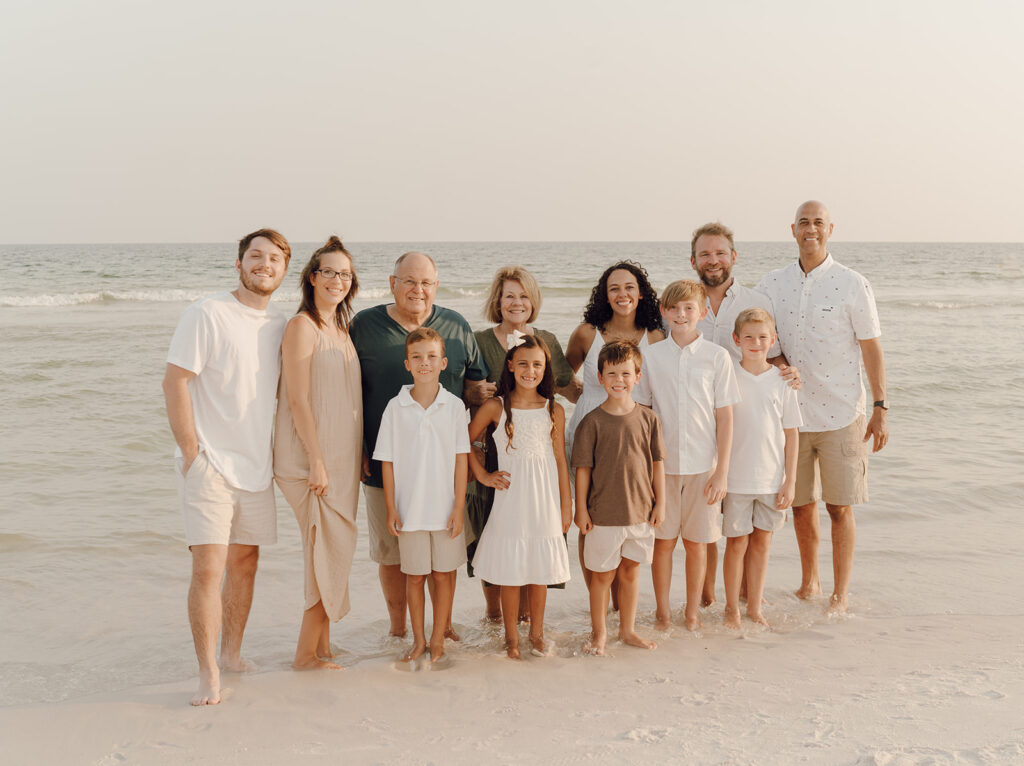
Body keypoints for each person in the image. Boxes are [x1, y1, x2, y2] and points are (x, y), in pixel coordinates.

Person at [162, 228, 290, 705]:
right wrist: (192, 452)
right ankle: (208, 672)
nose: (265, 264)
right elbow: (175, 381)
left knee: (246, 564)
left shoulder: (279, 322)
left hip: (257, 466)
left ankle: (233, 654)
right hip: (210, 464)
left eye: (274, 259)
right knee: (208, 570)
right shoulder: (207, 313)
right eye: (256, 256)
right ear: (239, 264)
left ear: (283, 269)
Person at [755, 201, 889, 614]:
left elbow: (871, 347)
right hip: (790, 415)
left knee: (839, 506)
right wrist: (779, 365)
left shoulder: (852, 283)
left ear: (830, 228)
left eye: (817, 223)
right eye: (803, 223)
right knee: (799, 505)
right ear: (791, 230)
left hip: (842, 412)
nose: (810, 229)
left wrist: (882, 405)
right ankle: (808, 582)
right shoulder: (772, 283)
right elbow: (764, 342)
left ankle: (840, 593)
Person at [350, 252, 488, 638]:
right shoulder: (364, 325)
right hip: (385, 467)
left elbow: (476, 388)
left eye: (426, 282)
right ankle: (400, 631)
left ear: (436, 286)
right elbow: (348, 390)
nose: (418, 290)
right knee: (394, 555)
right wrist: (356, 446)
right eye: (409, 281)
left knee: (443, 556)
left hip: (443, 472)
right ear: (392, 283)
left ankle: (441, 628)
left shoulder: (456, 326)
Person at [689, 221, 802, 606]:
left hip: (746, 429)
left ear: (733, 257)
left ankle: (745, 598)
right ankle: (707, 599)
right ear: (694, 261)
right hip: (700, 425)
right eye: (705, 253)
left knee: (748, 533)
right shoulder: (686, 304)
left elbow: (772, 351)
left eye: (720, 252)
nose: (713, 260)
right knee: (711, 522)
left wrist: (790, 372)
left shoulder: (756, 301)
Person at [467, 266, 579, 621]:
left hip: (535, 465)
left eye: (524, 295)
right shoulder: (480, 340)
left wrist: (611, 394)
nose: (517, 302)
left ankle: (530, 620)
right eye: (509, 295)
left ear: (534, 301)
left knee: (534, 543)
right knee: (493, 539)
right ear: (498, 302)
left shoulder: (545, 339)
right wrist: (474, 391)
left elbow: (564, 386)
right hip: (493, 458)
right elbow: (465, 389)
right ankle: (494, 617)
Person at [274, 236, 362, 670]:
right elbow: (298, 400)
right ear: (312, 277)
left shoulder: (340, 329)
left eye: (344, 273)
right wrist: (318, 459)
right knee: (322, 547)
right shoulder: (302, 327)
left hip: (341, 459)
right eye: (328, 271)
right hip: (311, 459)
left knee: (336, 544)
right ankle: (305, 655)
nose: (337, 280)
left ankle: (323, 645)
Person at [635, 279, 740, 632]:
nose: (681, 314)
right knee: (663, 544)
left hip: (703, 468)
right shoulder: (650, 356)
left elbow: (725, 417)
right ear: (664, 311)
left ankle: (692, 613)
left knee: (697, 545)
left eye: (689, 308)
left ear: (703, 312)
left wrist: (721, 472)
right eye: (674, 308)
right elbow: (643, 413)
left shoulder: (717, 357)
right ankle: (663, 613)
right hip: (661, 468)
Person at [565, 261, 665, 606]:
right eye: (614, 288)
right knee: (590, 517)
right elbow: (562, 377)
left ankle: (623, 605)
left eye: (629, 287)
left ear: (641, 292)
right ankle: (600, 602)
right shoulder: (586, 333)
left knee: (629, 515)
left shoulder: (655, 336)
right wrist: (585, 397)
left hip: (636, 438)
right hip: (589, 433)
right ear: (604, 295)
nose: (622, 294)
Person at [469, 335, 572, 659]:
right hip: (511, 498)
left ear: (546, 368)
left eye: (537, 364)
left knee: (539, 569)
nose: (530, 370)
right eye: (523, 364)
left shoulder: (554, 409)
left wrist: (566, 504)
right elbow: (463, 442)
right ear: (511, 366)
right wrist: (483, 475)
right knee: (510, 571)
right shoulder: (495, 407)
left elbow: (559, 459)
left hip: (544, 500)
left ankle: (537, 634)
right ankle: (511, 638)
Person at [375, 328, 469, 667]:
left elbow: (461, 459)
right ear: (407, 364)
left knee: (443, 575)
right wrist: (390, 507)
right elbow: (386, 461)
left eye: (431, 357)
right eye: (417, 357)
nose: (424, 363)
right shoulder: (395, 408)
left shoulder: (455, 407)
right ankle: (417, 640)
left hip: (446, 510)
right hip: (410, 511)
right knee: (414, 577)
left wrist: (458, 506)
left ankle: (437, 637)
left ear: (443, 363)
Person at [572, 340, 665, 655]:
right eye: (611, 374)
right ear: (600, 377)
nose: (618, 380)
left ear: (637, 377)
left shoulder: (649, 419)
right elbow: (583, 469)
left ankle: (627, 630)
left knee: (630, 572)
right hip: (603, 514)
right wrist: (580, 509)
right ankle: (599, 634)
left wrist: (660, 503)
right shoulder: (592, 422)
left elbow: (657, 465)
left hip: (640, 513)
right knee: (602, 577)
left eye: (625, 373)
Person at [721, 309, 802, 629]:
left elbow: (792, 433)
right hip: (736, 479)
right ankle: (731, 608)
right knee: (736, 543)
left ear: (773, 341)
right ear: (736, 340)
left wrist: (790, 480)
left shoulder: (782, 380)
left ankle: (754, 606)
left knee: (762, 543)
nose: (756, 343)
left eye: (763, 338)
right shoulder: (728, 376)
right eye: (749, 337)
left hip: (771, 479)